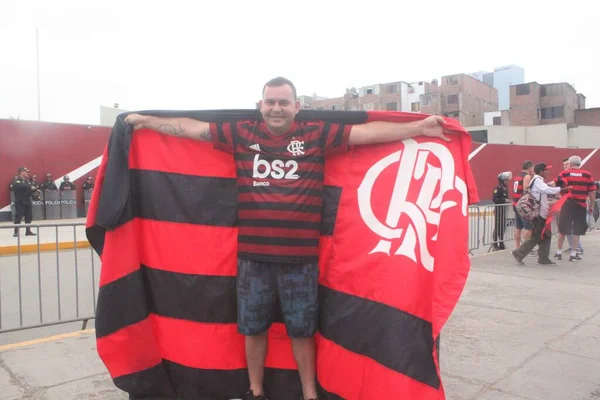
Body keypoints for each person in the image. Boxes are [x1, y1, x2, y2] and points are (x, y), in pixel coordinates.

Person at [124, 76, 451, 400]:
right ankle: (255, 391)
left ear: (297, 107)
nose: (276, 108)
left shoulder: (316, 134)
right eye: (270, 102)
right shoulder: (241, 134)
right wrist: (145, 121)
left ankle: (309, 394)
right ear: (260, 106)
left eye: (283, 102)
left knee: (302, 331)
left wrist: (419, 128)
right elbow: (193, 128)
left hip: (301, 261)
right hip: (253, 259)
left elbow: (366, 133)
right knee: (253, 330)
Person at [512, 163, 570, 266]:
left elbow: (544, 190)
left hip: (540, 213)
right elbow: (546, 190)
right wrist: (561, 189)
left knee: (545, 236)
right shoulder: (538, 180)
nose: (548, 172)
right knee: (537, 237)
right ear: (541, 171)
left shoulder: (537, 180)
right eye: (546, 170)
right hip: (539, 215)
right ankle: (519, 253)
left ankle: (543, 258)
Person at [553, 156, 597, 262]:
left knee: (562, 229)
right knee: (576, 230)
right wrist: (591, 206)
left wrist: (560, 197)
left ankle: (558, 253)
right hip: (580, 205)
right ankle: (573, 254)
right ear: (580, 163)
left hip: (566, 204)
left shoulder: (564, 173)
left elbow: (554, 184)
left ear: (570, 164)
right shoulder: (587, 174)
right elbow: (592, 192)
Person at [512, 161, 534, 248]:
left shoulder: (517, 176)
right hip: (522, 205)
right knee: (528, 228)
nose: (533, 170)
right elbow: (526, 190)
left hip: (515, 203)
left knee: (518, 227)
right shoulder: (526, 176)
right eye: (532, 168)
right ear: (529, 168)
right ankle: (526, 248)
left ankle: (517, 247)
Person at [12, 167, 38, 237]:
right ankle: (16, 232)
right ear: (21, 172)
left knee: (29, 217)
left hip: (27, 201)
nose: (27, 173)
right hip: (20, 201)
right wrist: (30, 187)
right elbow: (19, 186)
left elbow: (31, 188)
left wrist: (35, 190)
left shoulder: (27, 181)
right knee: (19, 217)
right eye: (26, 172)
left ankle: (28, 231)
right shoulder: (17, 180)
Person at [492, 171, 511, 250]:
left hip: (503, 210)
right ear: (502, 180)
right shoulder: (497, 188)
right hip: (499, 210)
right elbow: (495, 199)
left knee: (502, 227)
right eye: (506, 180)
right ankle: (495, 244)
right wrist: (505, 200)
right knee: (497, 227)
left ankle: (501, 243)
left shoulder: (505, 188)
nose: (507, 181)